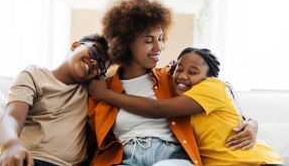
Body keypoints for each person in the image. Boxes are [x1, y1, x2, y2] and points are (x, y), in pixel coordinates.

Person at [86, 0, 258, 166]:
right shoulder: (102, 87)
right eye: (148, 40)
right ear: (125, 43)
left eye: (160, 38)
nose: (158, 47)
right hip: (126, 158)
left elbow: (221, 105)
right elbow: (89, 139)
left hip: (172, 157)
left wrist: (252, 124)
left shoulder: (173, 79)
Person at [89, 47, 283, 165]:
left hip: (255, 162)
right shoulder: (186, 98)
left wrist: (105, 94)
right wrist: (251, 122)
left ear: (209, 77)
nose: (182, 76)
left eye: (193, 71)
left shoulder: (212, 87)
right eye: (179, 69)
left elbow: (157, 109)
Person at [0, 34, 110, 166]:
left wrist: (105, 93)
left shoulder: (90, 91)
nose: (95, 62)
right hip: (29, 159)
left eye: (101, 66)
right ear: (75, 46)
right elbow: (13, 116)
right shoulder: (34, 74)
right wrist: (12, 145)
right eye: (94, 53)